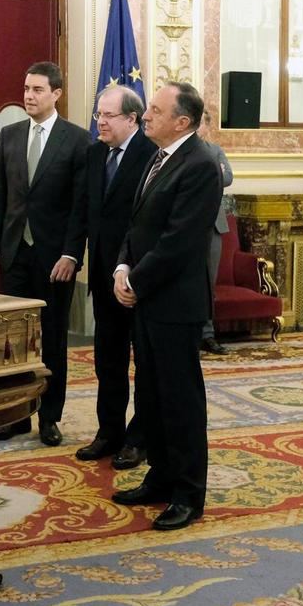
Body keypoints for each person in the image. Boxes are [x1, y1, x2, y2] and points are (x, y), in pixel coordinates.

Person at [112, 81, 221, 531]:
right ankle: (159, 477)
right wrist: (123, 268)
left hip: (175, 304)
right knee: (151, 396)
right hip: (146, 298)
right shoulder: (158, 157)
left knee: (180, 402)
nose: (146, 115)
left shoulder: (201, 165)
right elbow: (138, 224)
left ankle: (188, 494)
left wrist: (136, 282)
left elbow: (179, 242)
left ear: (182, 121)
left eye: (155, 110)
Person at [0, 61, 90, 447]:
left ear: (56, 93)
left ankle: (49, 417)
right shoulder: (9, 136)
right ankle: (15, 415)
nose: (29, 95)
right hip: (15, 255)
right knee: (12, 341)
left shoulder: (77, 140)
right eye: (26, 88)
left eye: (38, 89)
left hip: (55, 260)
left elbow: (80, 207)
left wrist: (72, 254)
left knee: (52, 340)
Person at [66, 86, 156, 469]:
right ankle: (109, 432)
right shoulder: (95, 154)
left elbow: (146, 223)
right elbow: (83, 210)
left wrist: (130, 269)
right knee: (108, 359)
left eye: (108, 116)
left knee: (146, 364)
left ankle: (140, 439)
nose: (99, 122)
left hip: (140, 277)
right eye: (97, 114)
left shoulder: (151, 155)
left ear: (132, 119)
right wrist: (72, 253)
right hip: (103, 276)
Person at [196, 110, 234, 355]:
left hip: (213, 227)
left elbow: (227, 177)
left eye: (201, 122)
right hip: (187, 227)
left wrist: (214, 174)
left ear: (207, 127)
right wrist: (214, 173)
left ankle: (207, 335)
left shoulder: (215, 150)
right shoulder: (178, 151)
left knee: (209, 283)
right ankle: (188, 334)